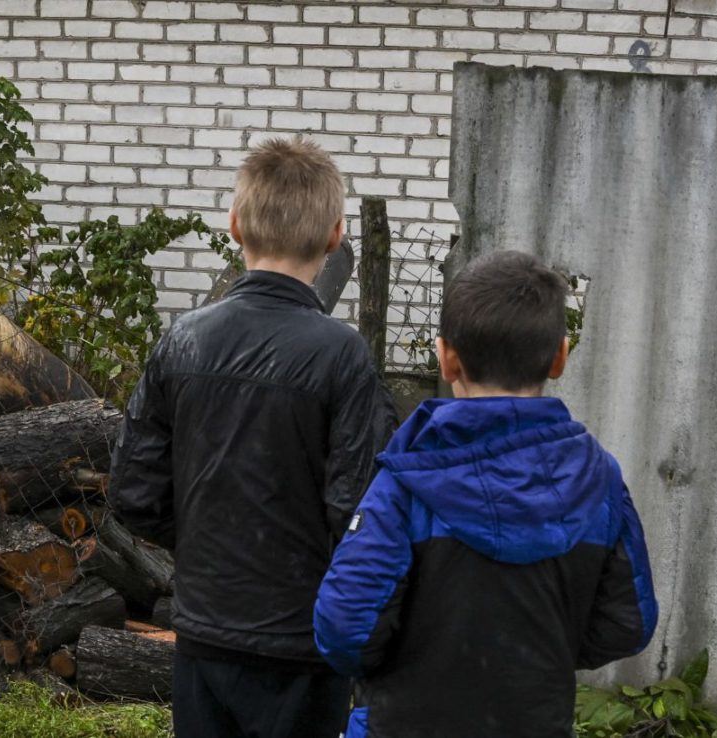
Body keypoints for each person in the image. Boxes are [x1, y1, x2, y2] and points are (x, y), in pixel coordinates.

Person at [108, 136, 397, 738]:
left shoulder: (183, 341)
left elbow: (134, 493)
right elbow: (358, 509)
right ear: (335, 234)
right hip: (304, 638)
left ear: (235, 225)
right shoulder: (343, 355)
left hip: (206, 631)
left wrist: (209, 538)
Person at [313, 250, 658, 738]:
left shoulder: (405, 485)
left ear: (447, 357)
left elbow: (344, 629)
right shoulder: (600, 482)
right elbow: (628, 622)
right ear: (560, 356)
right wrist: (537, 654)